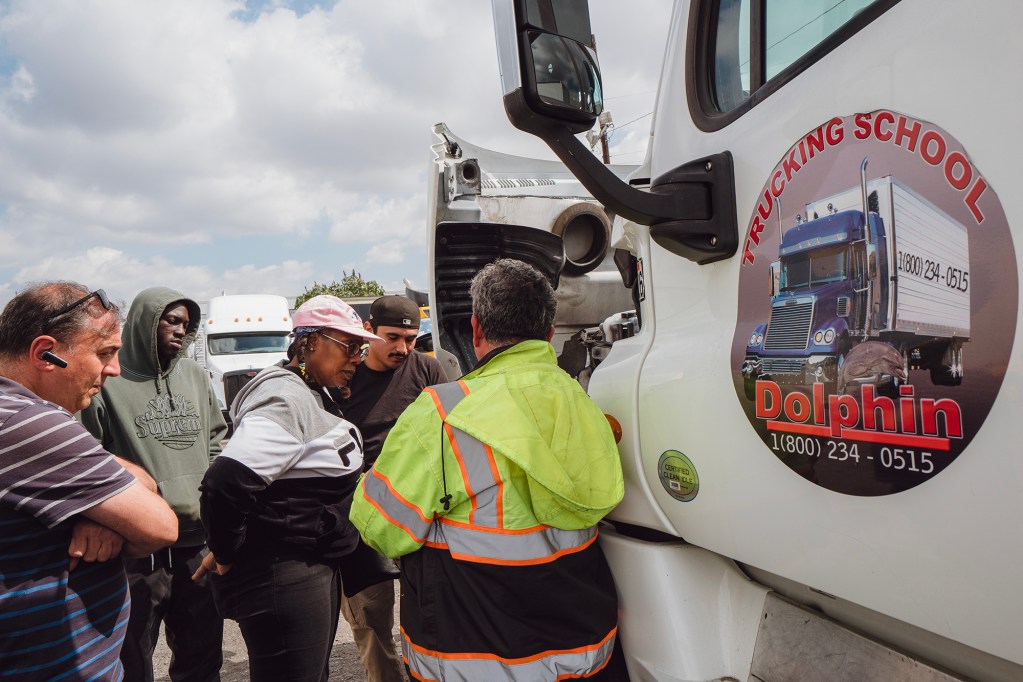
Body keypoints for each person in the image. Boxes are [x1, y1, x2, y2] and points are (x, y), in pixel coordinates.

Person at [351, 259, 628, 681]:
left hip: (474, 658)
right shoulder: (584, 401)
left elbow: (384, 528)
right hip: (583, 650)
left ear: (476, 329)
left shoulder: (443, 411)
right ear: (550, 334)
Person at [194, 295, 382, 682]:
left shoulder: (310, 391)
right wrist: (227, 550)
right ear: (309, 341)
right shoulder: (286, 397)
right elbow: (224, 483)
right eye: (348, 346)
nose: (356, 358)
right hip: (284, 577)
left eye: (361, 349)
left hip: (307, 568)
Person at [0, 282, 178, 680]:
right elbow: (161, 526)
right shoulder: (28, 422)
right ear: (44, 353)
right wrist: (114, 506)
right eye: (104, 353)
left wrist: (100, 508)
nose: (113, 369)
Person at [80, 287, 228, 682]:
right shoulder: (109, 381)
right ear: (145, 323)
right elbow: (89, 453)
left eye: (186, 323)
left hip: (197, 544)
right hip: (138, 551)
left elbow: (216, 437)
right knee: (133, 659)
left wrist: (210, 491)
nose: (180, 331)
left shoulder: (195, 376)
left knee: (201, 655)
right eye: (171, 320)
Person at [335, 295, 445, 682]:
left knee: (430, 616)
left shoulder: (428, 371)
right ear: (369, 332)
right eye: (393, 337)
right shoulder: (345, 378)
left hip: (422, 514)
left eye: (411, 338)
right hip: (364, 519)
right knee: (372, 619)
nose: (403, 348)